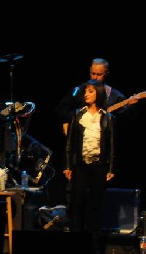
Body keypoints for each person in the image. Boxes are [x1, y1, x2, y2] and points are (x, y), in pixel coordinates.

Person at [63, 79, 115, 254]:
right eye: (86, 91)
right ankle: (76, 244)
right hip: (81, 166)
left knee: (95, 206)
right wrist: (69, 166)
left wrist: (110, 169)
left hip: (99, 166)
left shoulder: (107, 117)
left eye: (90, 91)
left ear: (98, 94)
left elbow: (112, 145)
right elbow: (70, 143)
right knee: (77, 204)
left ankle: (93, 247)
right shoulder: (78, 114)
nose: (86, 94)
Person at [56, 58, 138, 136]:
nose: (95, 77)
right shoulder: (79, 90)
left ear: (106, 74)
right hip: (79, 135)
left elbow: (126, 119)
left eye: (99, 74)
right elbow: (63, 106)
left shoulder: (115, 95)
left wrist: (131, 106)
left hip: (101, 137)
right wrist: (66, 121)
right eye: (93, 73)